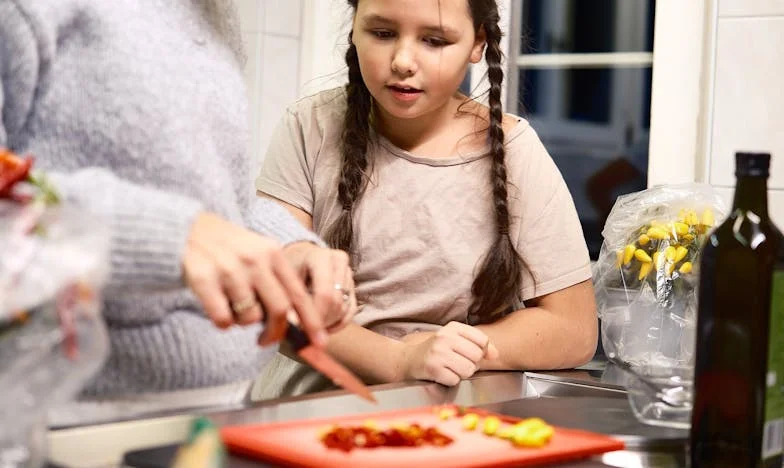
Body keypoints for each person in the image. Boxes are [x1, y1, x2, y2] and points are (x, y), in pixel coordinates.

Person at [0, 0, 357, 405]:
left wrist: (285, 247)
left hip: (222, 401)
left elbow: (217, 200)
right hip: (55, 412)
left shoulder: (214, 11)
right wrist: (167, 236)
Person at [254, 0, 597, 399]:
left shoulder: (516, 150)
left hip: (455, 422)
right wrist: (398, 361)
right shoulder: (307, 126)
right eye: (382, 33)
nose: (402, 60)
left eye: (434, 40)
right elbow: (272, 302)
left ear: (477, 43)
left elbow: (574, 330)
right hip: (308, 414)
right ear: (354, 27)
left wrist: (456, 351)